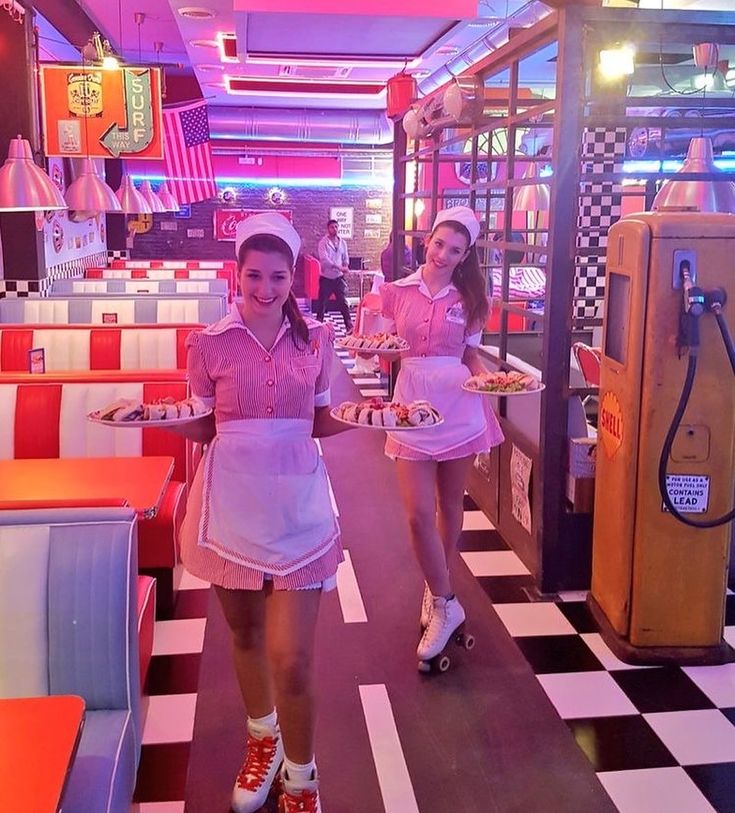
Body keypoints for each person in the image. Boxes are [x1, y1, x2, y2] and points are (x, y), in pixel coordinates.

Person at [174, 212, 352, 813]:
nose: (265, 288)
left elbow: (321, 420)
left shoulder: (315, 341)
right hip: (232, 496)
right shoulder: (208, 343)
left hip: (298, 498)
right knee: (245, 632)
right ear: (238, 273)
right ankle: (263, 740)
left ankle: (302, 780)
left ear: (293, 277)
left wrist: (363, 419)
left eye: (277, 277)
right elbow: (203, 423)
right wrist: (163, 420)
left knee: (293, 656)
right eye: (254, 275)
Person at [377, 205, 504, 666]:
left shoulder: (471, 297)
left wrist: (489, 378)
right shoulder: (397, 292)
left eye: (456, 250)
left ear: (466, 255)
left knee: (450, 506)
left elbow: (470, 356)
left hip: (459, 405)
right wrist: (377, 349)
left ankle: (437, 590)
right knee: (416, 514)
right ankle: (447, 600)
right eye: (439, 245)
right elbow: (384, 350)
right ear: (426, 241)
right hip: (412, 403)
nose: (444, 255)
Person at [316, 218, 353, 332]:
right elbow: (324, 259)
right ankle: (318, 325)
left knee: (343, 301)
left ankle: (349, 326)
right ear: (328, 229)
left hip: (338, 278)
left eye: (336, 227)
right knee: (322, 302)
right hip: (326, 277)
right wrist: (339, 267)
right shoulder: (323, 242)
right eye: (332, 227)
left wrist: (346, 265)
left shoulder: (342, 242)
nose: (335, 229)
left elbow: (345, 256)